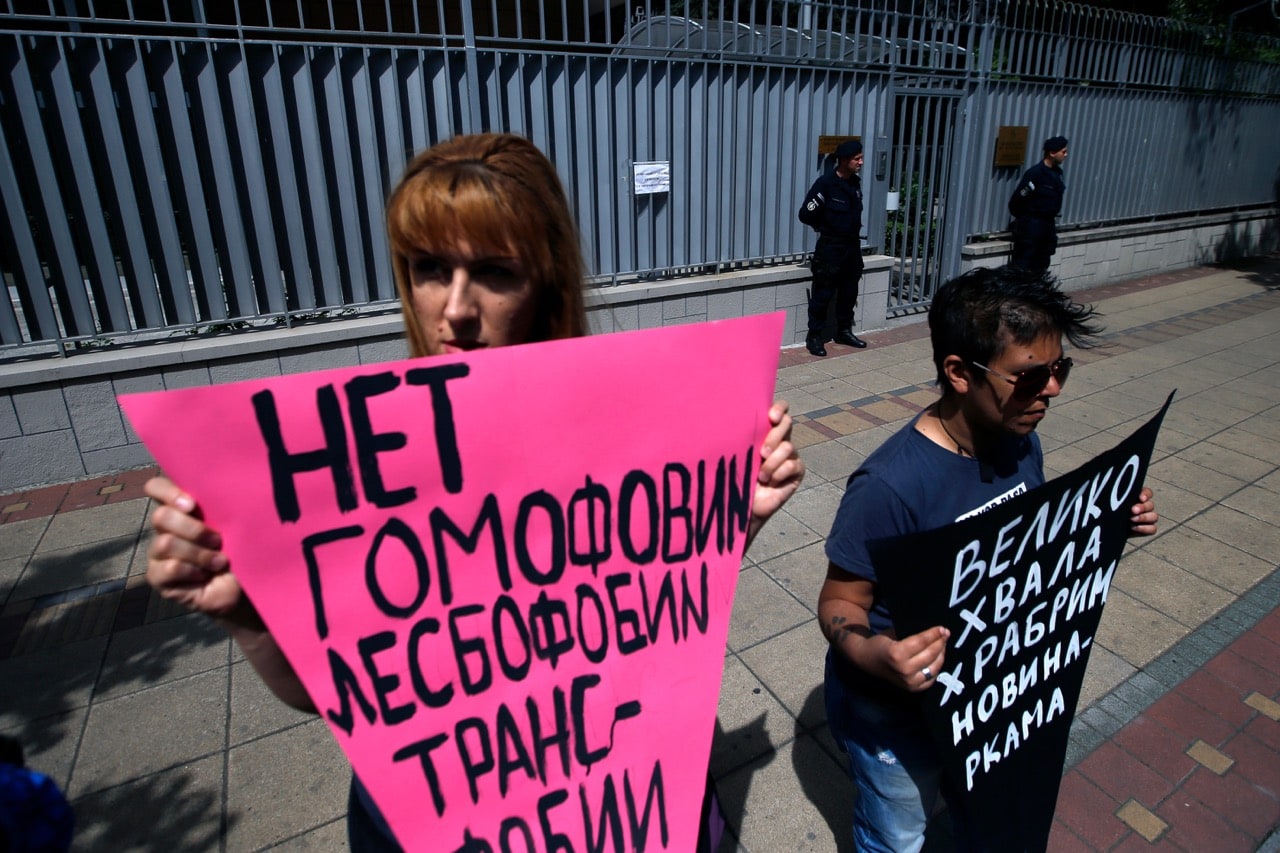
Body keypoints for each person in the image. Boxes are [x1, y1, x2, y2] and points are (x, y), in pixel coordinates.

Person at [143, 132, 805, 850]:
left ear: (544, 283)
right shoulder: (367, 467)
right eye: (429, 268)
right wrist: (250, 617)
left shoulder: (626, 429)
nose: (454, 307)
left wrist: (730, 522)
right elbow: (339, 694)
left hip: (621, 794)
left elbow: (648, 618)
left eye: (492, 272)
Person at [816, 265, 1158, 852]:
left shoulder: (1021, 442)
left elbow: (1028, 552)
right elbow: (839, 601)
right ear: (958, 373)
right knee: (897, 835)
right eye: (1029, 377)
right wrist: (877, 653)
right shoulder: (889, 485)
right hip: (893, 717)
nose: (1050, 390)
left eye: (1059, 371)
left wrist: (1107, 527)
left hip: (978, 698)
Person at [798, 138, 868, 357]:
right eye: (857, 159)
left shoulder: (854, 184)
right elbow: (806, 214)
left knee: (849, 292)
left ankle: (843, 332)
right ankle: (815, 337)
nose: (861, 162)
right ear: (845, 160)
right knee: (823, 294)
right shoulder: (825, 184)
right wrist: (825, 228)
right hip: (831, 248)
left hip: (851, 248)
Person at [1008, 136, 1069, 274]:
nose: (1066, 155)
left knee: (1041, 266)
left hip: (1047, 228)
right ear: (1052, 153)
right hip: (1031, 228)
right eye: (1063, 152)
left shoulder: (1057, 174)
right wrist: (1027, 220)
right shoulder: (1035, 174)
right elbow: (1016, 202)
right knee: (1022, 268)